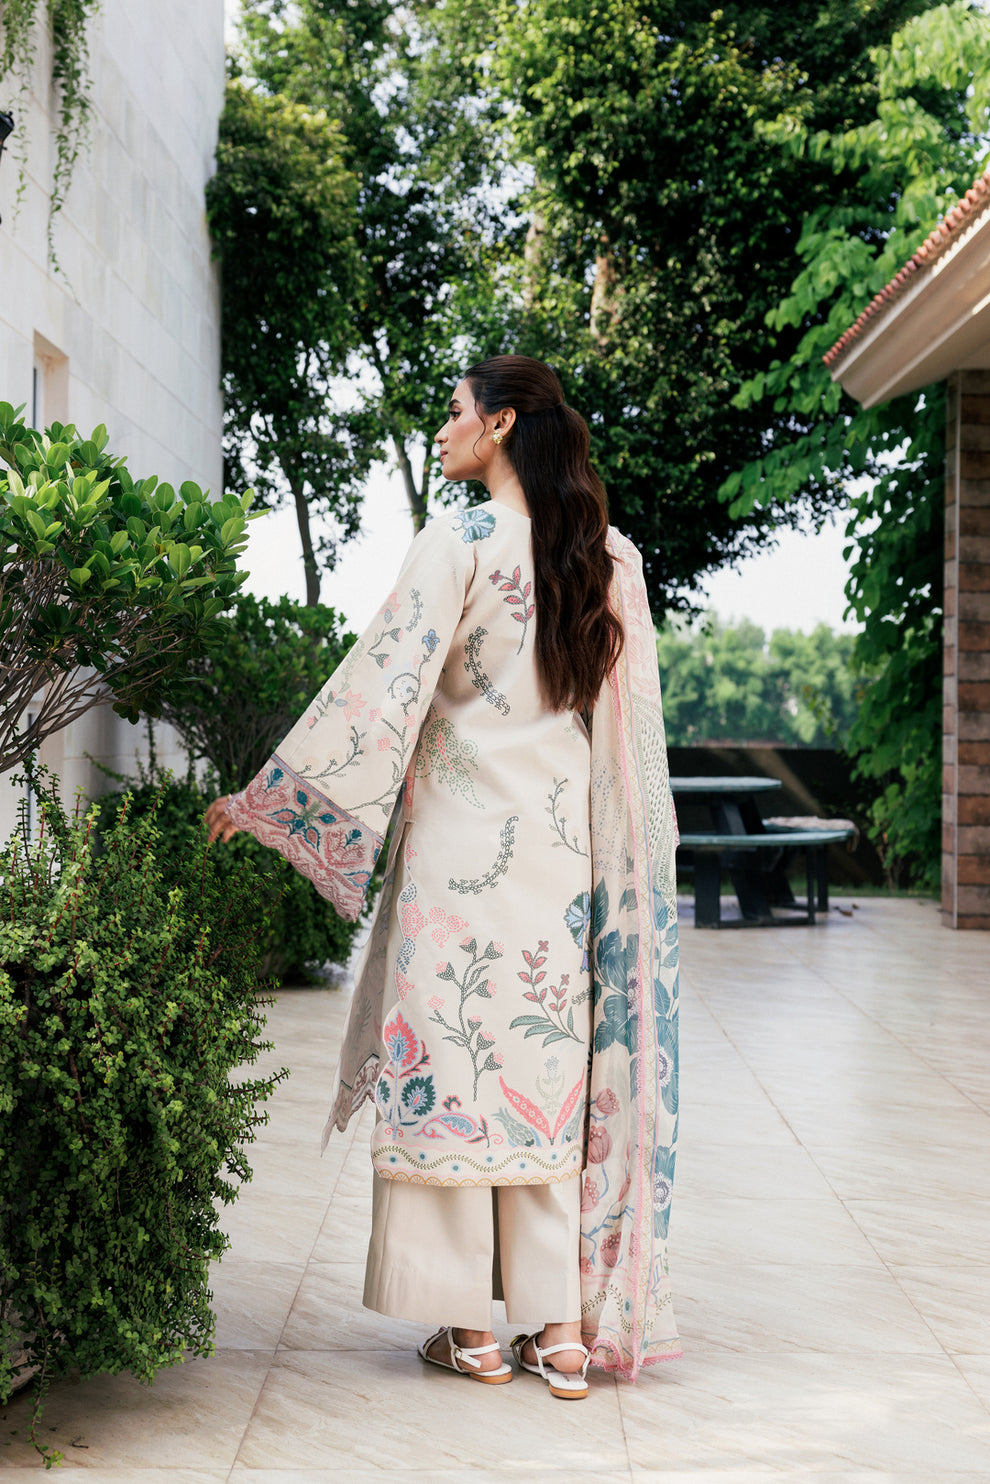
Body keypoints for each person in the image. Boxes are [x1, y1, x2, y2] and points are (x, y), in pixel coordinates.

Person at [205, 355, 680, 1397]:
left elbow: (380, 691)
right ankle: (561, 1335)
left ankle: (471, 1332)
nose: (442, 428)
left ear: (502, 424)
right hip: (562, 861)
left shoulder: (457, 540)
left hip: (458, 862)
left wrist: (271, 799)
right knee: (545, 1074)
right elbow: (629, 743)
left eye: (456, 411)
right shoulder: (607, 556)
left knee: (458, 1072)